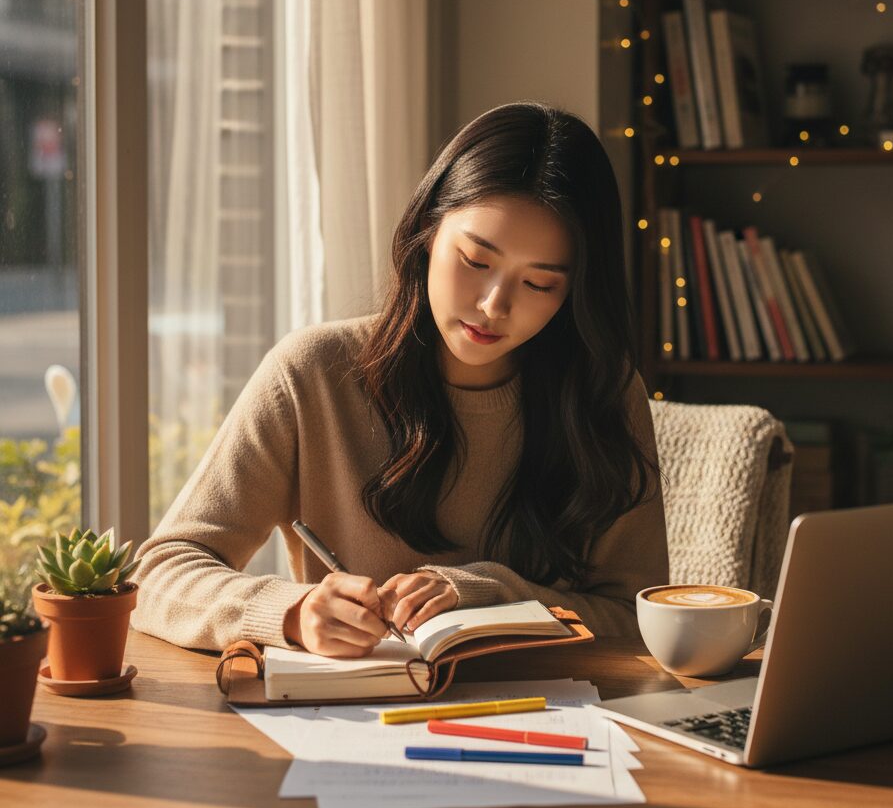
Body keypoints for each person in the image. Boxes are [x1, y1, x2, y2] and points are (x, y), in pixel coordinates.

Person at [132, 102, 669, 656]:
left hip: (550, 722)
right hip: (354, 720)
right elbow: (158, 574)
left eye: (539, 285)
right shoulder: (312, 374)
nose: (493, 305)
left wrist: (496, 594)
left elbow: (636, 613)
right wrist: (291, 613)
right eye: (476, 261)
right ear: (429, 230)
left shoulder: (602, 393)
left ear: (574, 291)